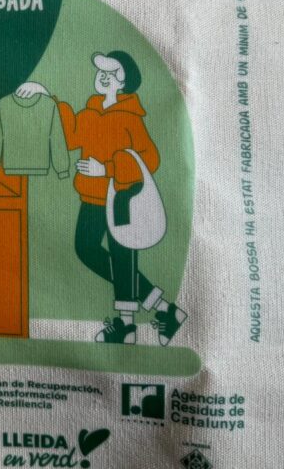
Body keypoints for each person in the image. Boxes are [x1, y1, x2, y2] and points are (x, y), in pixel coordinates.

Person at [16, 51, 187, 346]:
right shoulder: (90, 112)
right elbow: (70, 138)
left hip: (123, 199)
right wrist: (47, 96)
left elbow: (150, 159)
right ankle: (163, 309)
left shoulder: (131, 118)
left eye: (111, 73)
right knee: (86, 248)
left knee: (122, 258)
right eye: (102, 72)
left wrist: (106, 170)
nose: (103, 77)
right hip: (92, 197)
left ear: (124, 82)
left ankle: (126, 327)